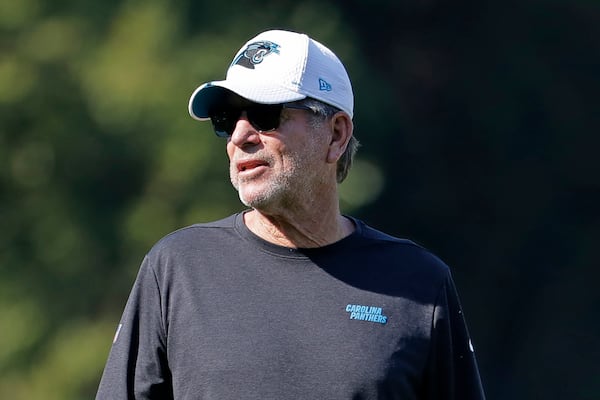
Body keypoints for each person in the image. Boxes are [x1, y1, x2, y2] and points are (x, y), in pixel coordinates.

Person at [96, 29, 485, 400]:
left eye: (265, 114)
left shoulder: (419, 284)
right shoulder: (177, 268)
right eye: (227, 119)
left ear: (335, 134)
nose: (239, 137)